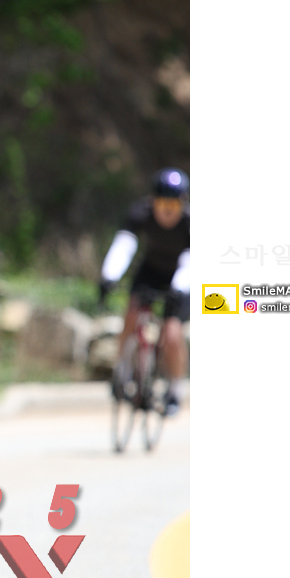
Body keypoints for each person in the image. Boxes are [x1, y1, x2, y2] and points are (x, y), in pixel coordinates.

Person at [98, 167, 190, 416]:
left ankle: (174, 391)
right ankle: (122, 373)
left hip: (182, 277)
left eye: (173, 204)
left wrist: (180, 287)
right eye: (162, 203)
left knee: (172, 333)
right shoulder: (140, 213)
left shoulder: (190, 223)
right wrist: (109, 276)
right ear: (153, 201)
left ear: (182, 203)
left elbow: (191, 260)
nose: (167, 211)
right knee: (132, 314)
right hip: (150, 271)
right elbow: (124, 245)